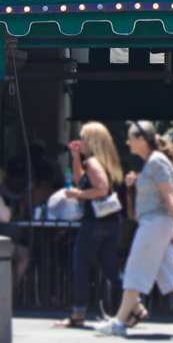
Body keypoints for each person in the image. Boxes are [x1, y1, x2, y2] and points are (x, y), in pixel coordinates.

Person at [99, 121, 173, 337]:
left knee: (135, 269)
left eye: (130, 138)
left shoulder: (156, 161)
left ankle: (119, 322)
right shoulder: (154, 162)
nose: (127, 142)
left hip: (155, 224)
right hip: (157, 223)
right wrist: (138, 179)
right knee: (171, 273)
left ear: (142, 140)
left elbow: (169, 196)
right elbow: (160, 188)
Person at [56, 122, 128, 329]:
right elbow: (81, 182)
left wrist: (76, 195)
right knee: (110, 269)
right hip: (111, 222)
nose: (79, 140)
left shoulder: (94, 163)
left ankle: (78, 313)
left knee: (81, 265)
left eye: (82, 137)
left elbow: (101, 190)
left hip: (95, 222)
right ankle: (136, 307)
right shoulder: (105, 162)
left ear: (92, 140)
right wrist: (75, 156)